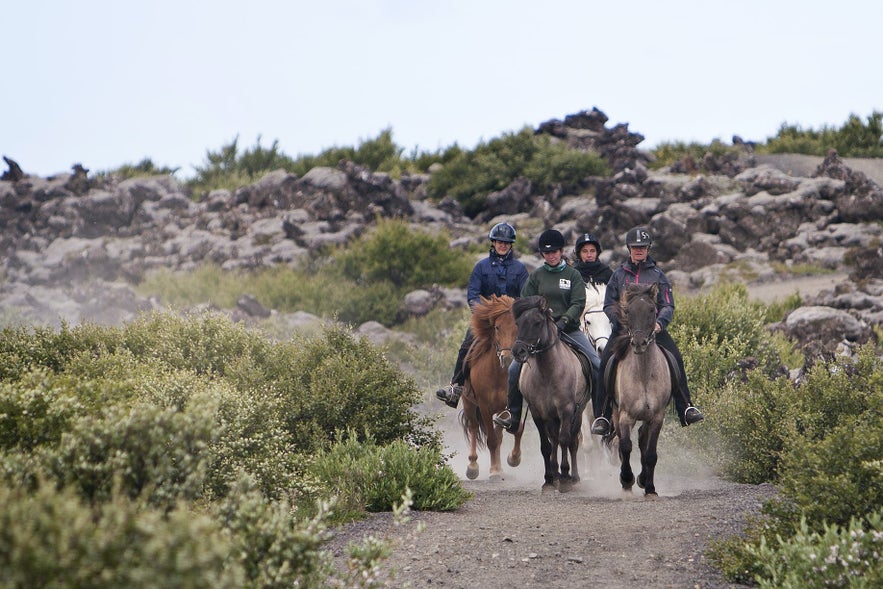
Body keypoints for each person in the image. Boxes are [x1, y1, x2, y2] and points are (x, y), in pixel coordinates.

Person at [589, 226, 705, 436]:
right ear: (629, 249)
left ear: (648, 248)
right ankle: (603, 416)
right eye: (635, 247)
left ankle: (686, 407)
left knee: (675, 359)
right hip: (624, 331)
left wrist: (660, 323)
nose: (639, 250)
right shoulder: (618, 275)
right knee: (605, 364)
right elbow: (608, 305)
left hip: (653, 330)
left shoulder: (658, 276)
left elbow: (668, 304)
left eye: (642, 247)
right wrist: (620, 321)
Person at [492, 229, 600, 433]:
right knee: (515, 368)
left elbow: (578, 302)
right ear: (543, 254)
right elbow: (523, 303)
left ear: (561, 252)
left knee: (597, 364)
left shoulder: (573, 274)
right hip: (539, 332)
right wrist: (536, 321)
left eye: (555, 252)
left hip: (568, 329)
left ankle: (602, 415)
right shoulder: (537, 276)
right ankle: (513, 415)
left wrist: (564, 320)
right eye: (547, 253)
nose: (551, 256)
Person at [436, 222, 529, 408]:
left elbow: (525, 296)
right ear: (493, 242)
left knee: (530, 347)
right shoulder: (481, 267)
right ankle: (456, 386)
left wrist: (516, 315)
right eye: (499, 242)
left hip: (511, 323)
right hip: (487, 322)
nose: (502, 245)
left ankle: (532, 390)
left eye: (506, 242)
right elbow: (473, 295)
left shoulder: (520, 269)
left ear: (511, 244)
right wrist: (485, 315)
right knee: (466, 346)